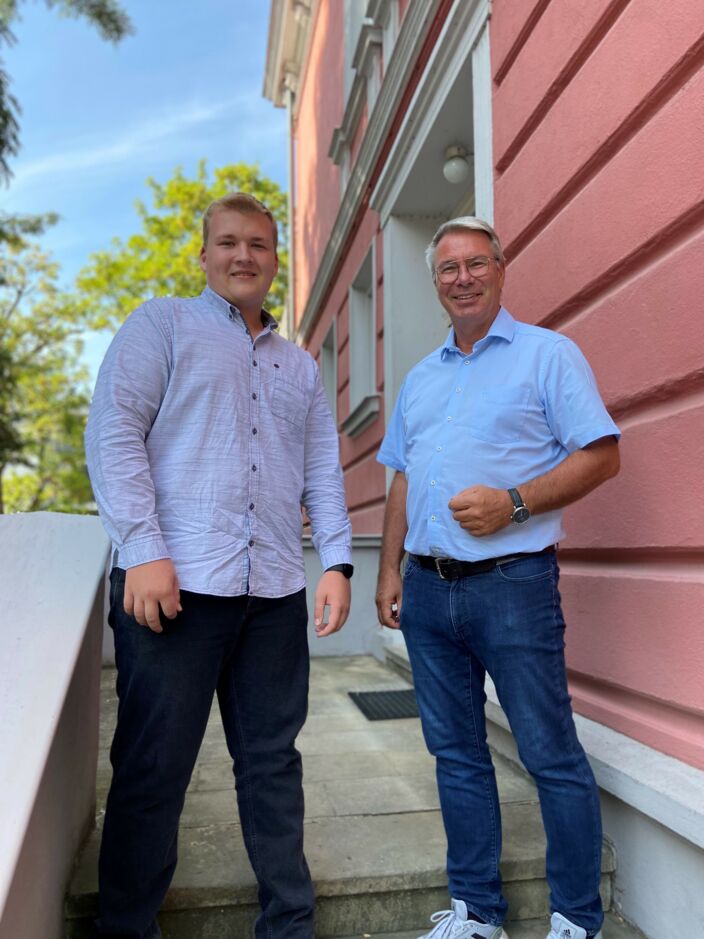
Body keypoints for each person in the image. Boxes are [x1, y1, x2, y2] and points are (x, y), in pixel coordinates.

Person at [85, 192, 353, 939]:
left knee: (273, 766)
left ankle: (289, 925)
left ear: (275, 260)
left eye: (259, 244)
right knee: (153, 769)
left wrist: (337, 562)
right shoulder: (161, 325)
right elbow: (113, 433)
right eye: (229, 242)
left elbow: (322, 470)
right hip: (173, 590)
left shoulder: (300, 367)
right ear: (203, 255)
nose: (244, 255)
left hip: (273, 593)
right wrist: (144, 550)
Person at [375, 216, 620, 939]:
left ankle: (575, 917)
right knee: (455, 754)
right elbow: (402, 477)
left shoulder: (548, 355)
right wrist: (389, 568)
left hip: (513, 585)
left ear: (500, 268)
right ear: (436, 283)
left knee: (549, 752)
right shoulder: (421, 378)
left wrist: (514, 503)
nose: (463, 278)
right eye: (448, 268)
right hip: (426, 589)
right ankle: (477, 911)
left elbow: (602, 455)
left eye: (475, 263)